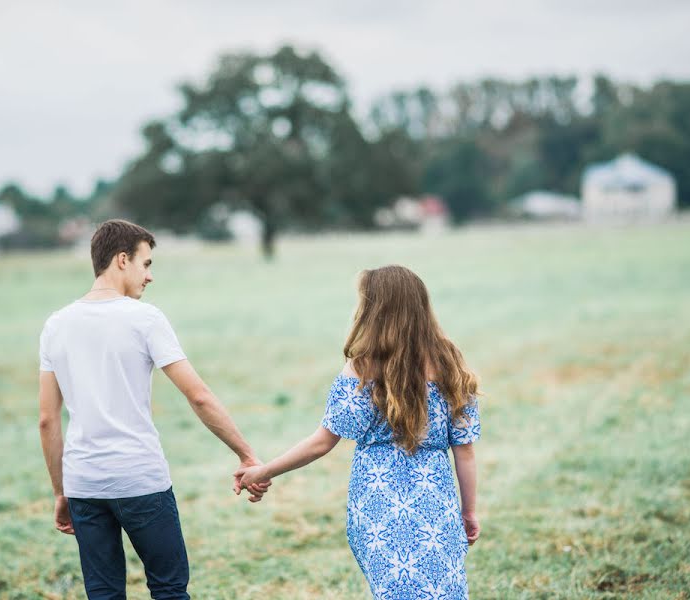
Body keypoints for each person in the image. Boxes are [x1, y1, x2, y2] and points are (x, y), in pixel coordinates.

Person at [38, 219, 269, 600]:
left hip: (84, 483)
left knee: (104, 594)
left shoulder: (56, 325)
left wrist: (61, 493)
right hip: (140, 479)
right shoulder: (144, 319)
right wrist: (246, 454)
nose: (150, 277)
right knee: (169, 589)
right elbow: (199, 396)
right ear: (122, 260)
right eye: (146, 265)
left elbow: (48, 420)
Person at [236, 265, 481, 599]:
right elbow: (464, 450)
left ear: (373, 309)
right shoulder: (450, 362)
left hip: (376, 506)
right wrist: (467, 512)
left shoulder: (362, 368)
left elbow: (322, 442)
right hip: (436, 504)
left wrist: (262, 471)